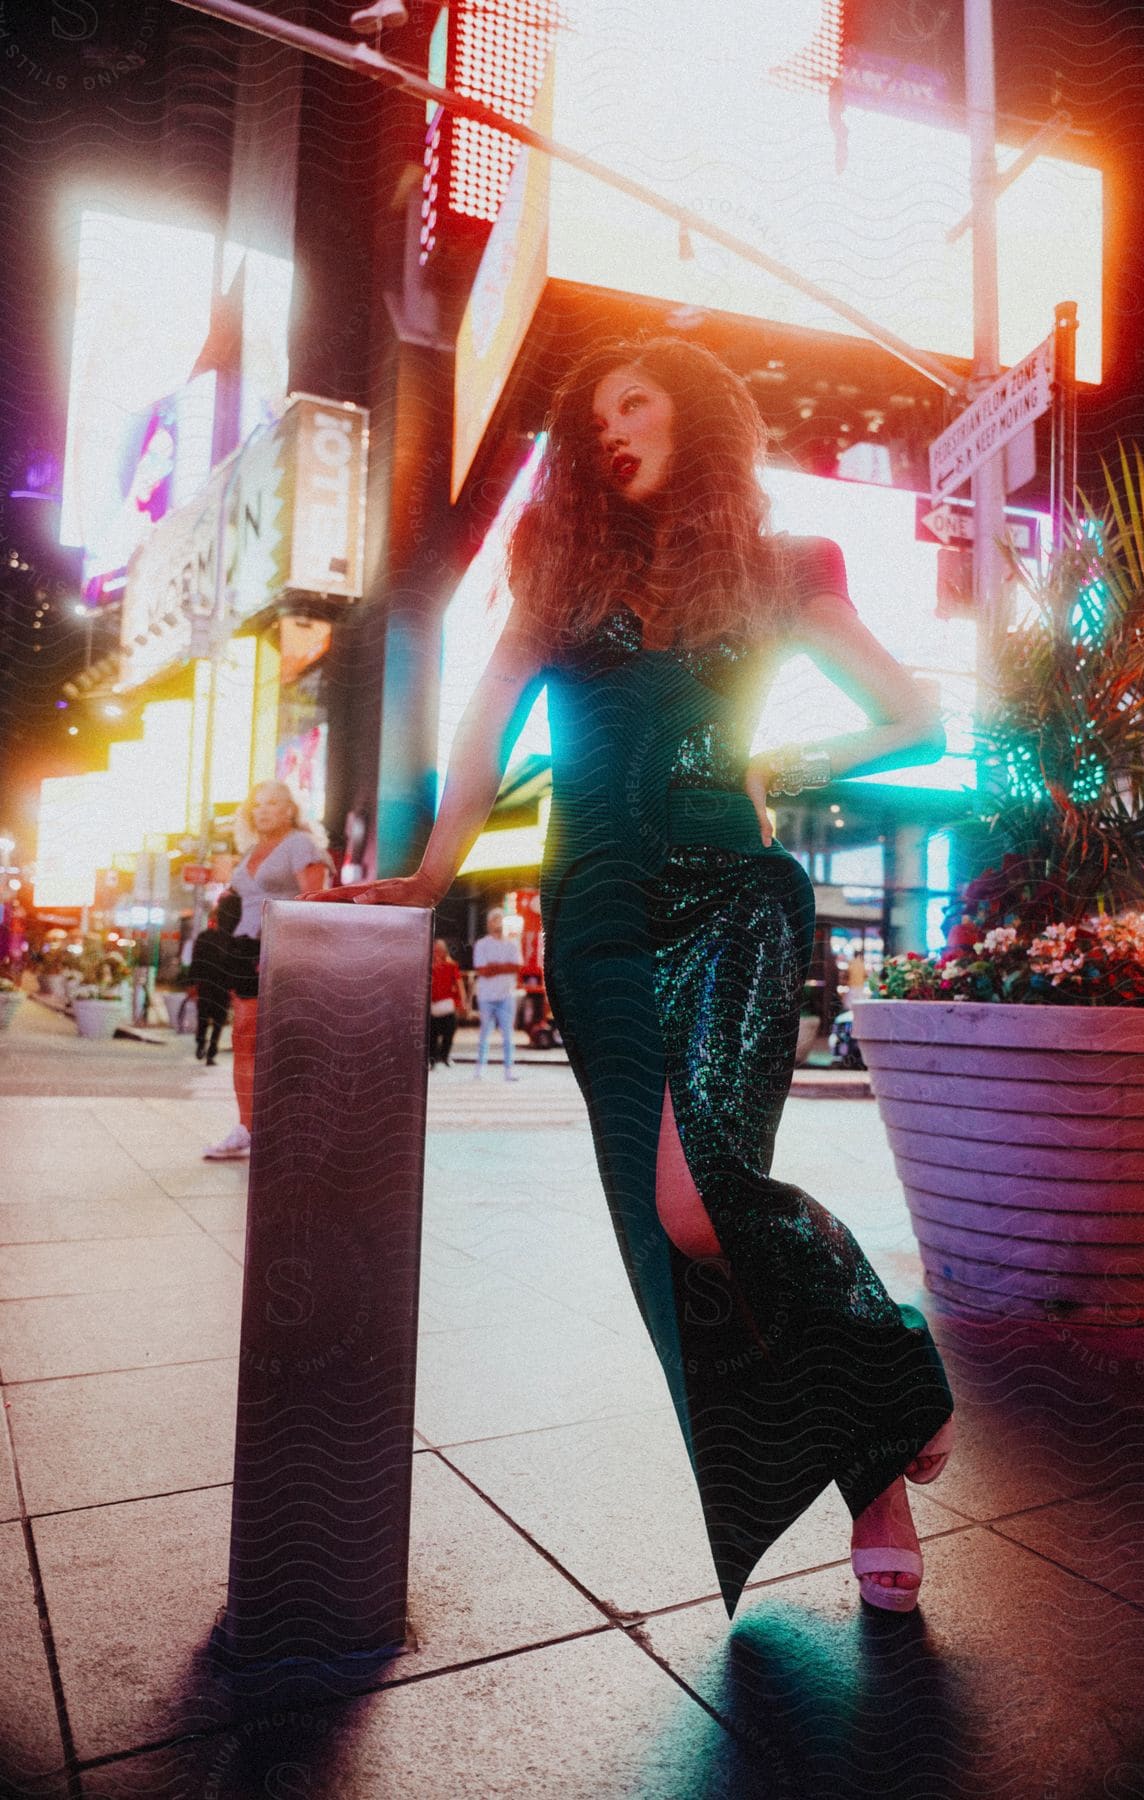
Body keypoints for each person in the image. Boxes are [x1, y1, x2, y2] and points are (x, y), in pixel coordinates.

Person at [309, 336, 954, 1615]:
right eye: (594, 414)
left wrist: (792, 768)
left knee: (697, 1201)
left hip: (731, 900)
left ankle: (894, 1366)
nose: (610, 428)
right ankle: (869, 1479)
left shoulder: (784, 570)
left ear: (697, 420)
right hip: (595, 911)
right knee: (675, 1246)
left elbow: (914, 718)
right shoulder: (555, 572)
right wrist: (433, 874)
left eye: (637, 402)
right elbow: (482, 730)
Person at [204, 781, 332, 1160]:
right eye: (256, 804)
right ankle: (246, 1127)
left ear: (289, 810)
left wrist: (287, 948)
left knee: (285, 1041)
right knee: (244, 1035)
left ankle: (291, 1127)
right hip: (244, 948)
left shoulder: (300, 845)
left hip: (282, 946)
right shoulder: (250, 852)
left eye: (272, 803)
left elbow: (313, 902)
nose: (262, 810)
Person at [188, 891, 241, 1065]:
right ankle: (208, 1049)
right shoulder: (226, 939)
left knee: (207, 1017)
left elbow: (195, 961)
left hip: (211, 984)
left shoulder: (207, 937)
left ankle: (205, 1046)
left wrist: (193, 983)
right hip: (218, 984)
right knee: (216, 1019)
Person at [471, 906, 522, 1081]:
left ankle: (509, 1069)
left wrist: (494, 966)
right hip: (486, 995)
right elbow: (482, 970)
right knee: (485, 1032)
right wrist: (504, 967)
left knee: (508, 1034)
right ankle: (480, 1067)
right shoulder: (482, 944)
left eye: (500, 920)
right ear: (489, 924)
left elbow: (516, 967)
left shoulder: (512, 944)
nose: (497, 924)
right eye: (494, 920)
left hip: (506, 994)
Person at [429, 937, 468, 1068]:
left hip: (447, 1004)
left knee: (448, 1033)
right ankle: (432, 1059)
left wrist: (463, 1002)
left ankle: (444, 1056)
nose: (437, 953)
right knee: (432, 1035)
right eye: (435, 951)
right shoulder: (429, 966)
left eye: (439, 950)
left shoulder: (451, 966)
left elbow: (459, 984)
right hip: (433, 1005)